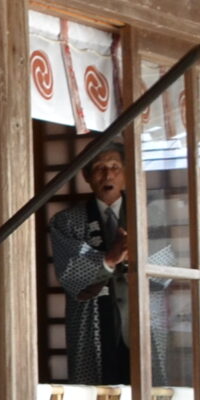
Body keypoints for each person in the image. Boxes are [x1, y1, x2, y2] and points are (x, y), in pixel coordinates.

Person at [50, 147, 147, 387]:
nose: (108, 175)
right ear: (86, 176)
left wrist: (140, 258)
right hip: (91, 321)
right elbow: (70, 273)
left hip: (142, 321)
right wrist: (110, 258)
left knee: (146, 392)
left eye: (115, 167)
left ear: (126, 173)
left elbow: (167, 267)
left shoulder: (147, 214)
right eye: (99, 169)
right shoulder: (67, 221)